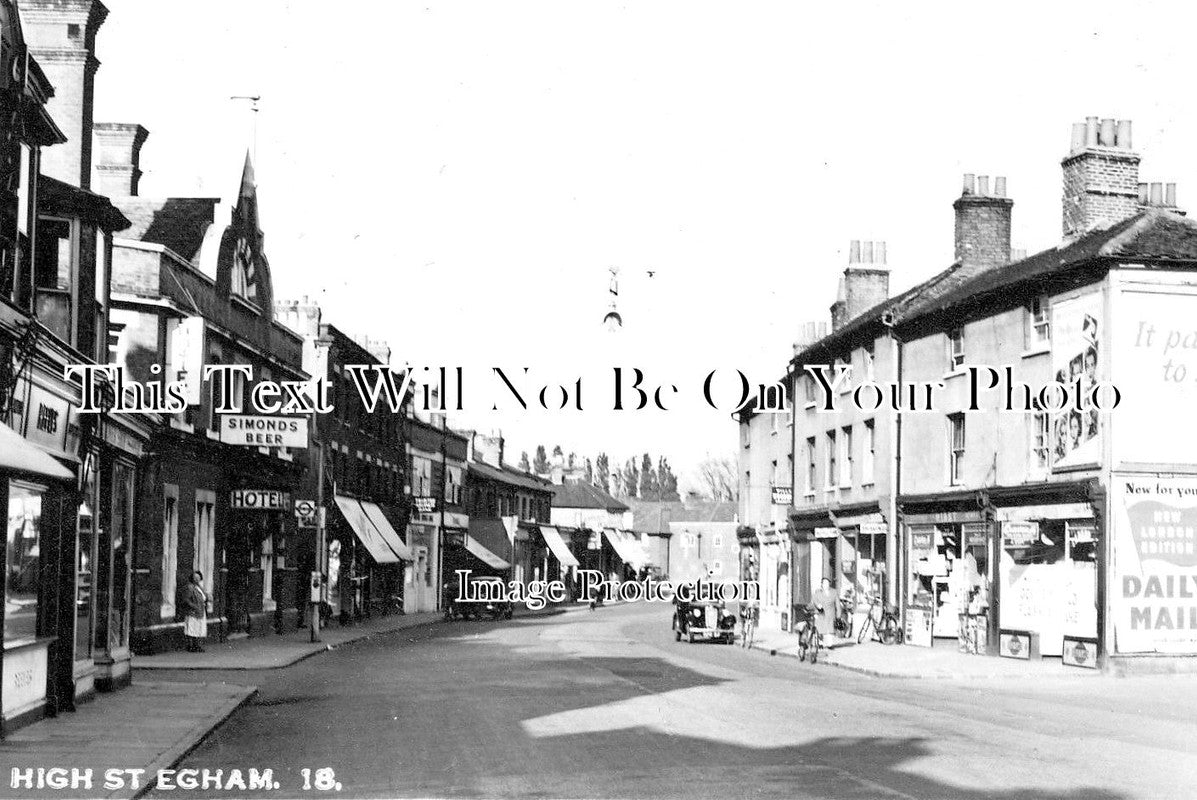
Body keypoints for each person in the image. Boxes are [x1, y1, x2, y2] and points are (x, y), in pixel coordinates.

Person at [181, 571, 209, 653]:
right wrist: (194, 606)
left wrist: (207, 598)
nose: (197, 579)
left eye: (198, 577)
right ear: (192, 579)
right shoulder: (190, 587)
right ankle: (191, 646)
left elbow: (203, 597)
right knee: (192, 629)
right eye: (195, 577)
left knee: (199, 628)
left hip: (201, 611)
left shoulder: (200, 587)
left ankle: (197, 645)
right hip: (193, 612)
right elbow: (186, 599)